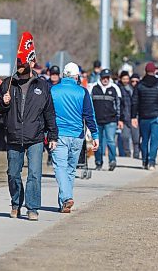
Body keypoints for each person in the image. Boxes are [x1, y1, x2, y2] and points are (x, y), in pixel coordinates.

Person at [0, 48, 58, 221]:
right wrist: (4, 102)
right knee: (13, 174)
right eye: (18, 63)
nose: (20, 66)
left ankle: (32, 207)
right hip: (14, 136)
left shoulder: (42, 85)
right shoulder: (8, 83)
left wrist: (52, 135)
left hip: (35, 137)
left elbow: (49, 112)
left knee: (34, 174)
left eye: (24, 63)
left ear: (31, 63)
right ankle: (16, 203)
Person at [50, 62, 99, 213]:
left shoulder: (53, 90)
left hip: (59, 135)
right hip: (77, 135)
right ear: (77, 76)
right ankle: (64, 201)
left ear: (63, 75)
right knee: (70, 170)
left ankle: (66, 198)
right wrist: (95, 135)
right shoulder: (82, 92)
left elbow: (47, 113)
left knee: (60, 167)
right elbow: (89, 115)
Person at [132, 62, 158, 170]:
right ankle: (152, 162)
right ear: (154, 71)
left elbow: (134, 101)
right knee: (155, 139)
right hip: (157, 115)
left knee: (144, 139)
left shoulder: (140, 85)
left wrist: (133, 116)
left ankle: (144, 160)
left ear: (145, 71)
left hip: (143, 116)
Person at [91, 68, 123, 171]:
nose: (105, 79)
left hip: (111, 120)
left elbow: (119, 105)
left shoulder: (115, 89)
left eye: (107, 77)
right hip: (97, 120)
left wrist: (119, 119)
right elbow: (89, 105)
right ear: (100, 77)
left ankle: (112, 161)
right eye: (104, 77)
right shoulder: (93, 88)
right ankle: (98, 162)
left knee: (111, 141)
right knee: (97, 142)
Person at [117, 71, 133, 157]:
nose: (126, 80)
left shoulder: (131, 88)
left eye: (127, 78)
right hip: (123, 116)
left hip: (132, 114)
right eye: (124, 79)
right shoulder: (118, 88)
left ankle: (134, 153)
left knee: (135, 138)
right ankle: (125, 153)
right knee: (124, 136)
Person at [130, 73, 141, 159]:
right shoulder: (128, 90)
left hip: (141, 115)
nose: (134, 83)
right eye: (132, 81)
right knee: (134, 137)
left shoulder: (141, 89)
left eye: (136, 81)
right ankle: (135, 153)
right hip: (130, 116)